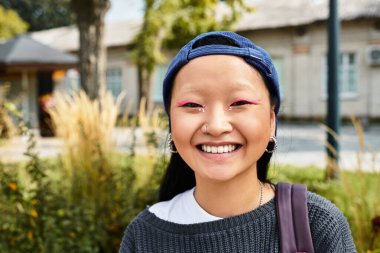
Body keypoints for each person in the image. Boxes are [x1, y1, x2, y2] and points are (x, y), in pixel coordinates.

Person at [119, 31, 356, 252]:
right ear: (171, 122)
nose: (216, 126)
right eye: (192, 105)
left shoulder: (316, 224)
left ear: (271, 120)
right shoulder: (143, 235)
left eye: (239, 103)